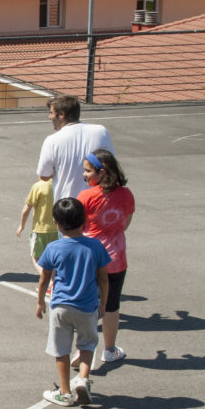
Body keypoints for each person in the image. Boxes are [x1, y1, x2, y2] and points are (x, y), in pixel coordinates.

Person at [35, 198, 110, 407]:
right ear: (84, 221)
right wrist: (103, 302)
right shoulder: (95, 246)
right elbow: (103, 278)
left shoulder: (53, 248)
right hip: (87, 306)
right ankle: (83, 379)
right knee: (87, 344)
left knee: (61, 349)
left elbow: (44, 279)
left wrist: (40, 302)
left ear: (57, 223)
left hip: (60, 306)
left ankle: (65, 391)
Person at [77, 149, 133, 366]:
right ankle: (109, 349)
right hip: (116, 258)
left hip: (89, 257)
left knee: (87, 305)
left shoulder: (86, 196)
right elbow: (125, 224)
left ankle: (83, 349)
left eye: (88, 171)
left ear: (102, 173)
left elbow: (78, 226)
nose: (84, 175)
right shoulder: (126, 194)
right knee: (111, 305)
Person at [37, 95, 114, 200]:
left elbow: (44, 176)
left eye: (51, 113)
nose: (49, 117)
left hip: (67, 207)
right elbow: (110, 165)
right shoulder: (101, 132)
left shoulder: (51, 141)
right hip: (97, 203)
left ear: (61, 114)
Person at [16, 177, 57, 276]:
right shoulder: (58, 184)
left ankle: (48, 280)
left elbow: (26, 209)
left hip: (40, 230)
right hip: (57, 229)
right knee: (54, 259)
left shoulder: (38, 186)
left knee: (36, 258)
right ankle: (52, 280)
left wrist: (22, 225)